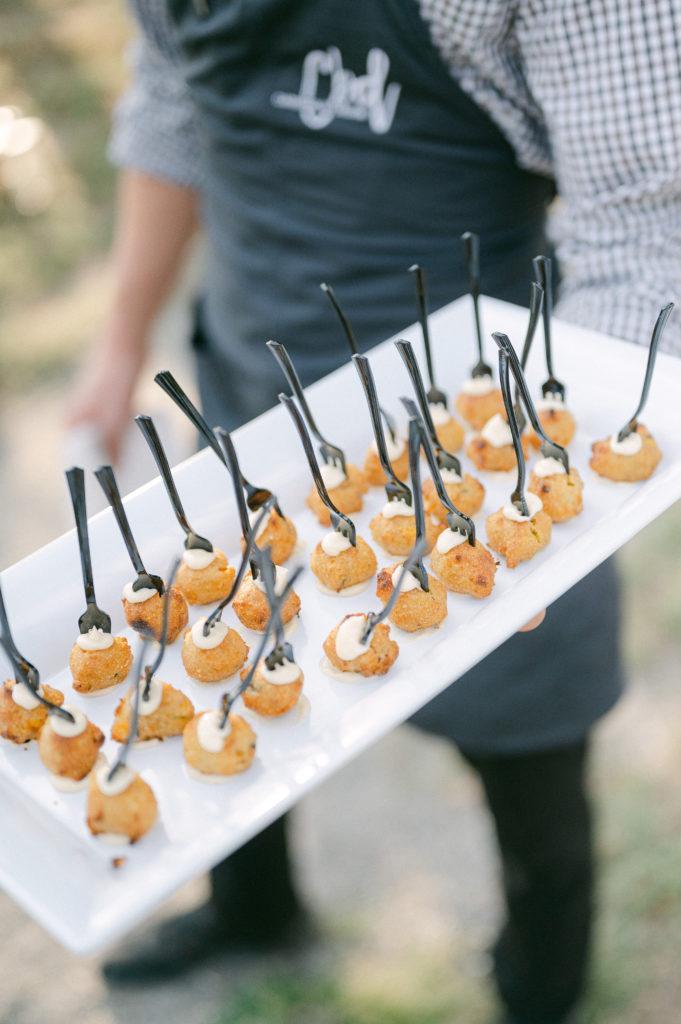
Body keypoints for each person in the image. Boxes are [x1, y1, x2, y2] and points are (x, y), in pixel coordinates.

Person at [68, 3, 681, 1022]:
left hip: (493, 444)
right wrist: (120, 339)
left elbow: (645, 224)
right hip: (245, 394)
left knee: (531, 756)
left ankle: (542, 986)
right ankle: (254, 908)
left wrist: (544, 493)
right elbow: (172, 94)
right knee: (207, 684)